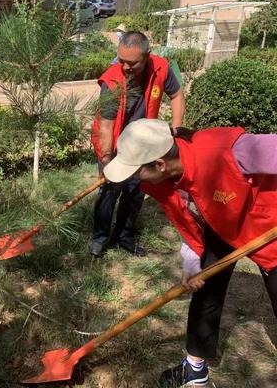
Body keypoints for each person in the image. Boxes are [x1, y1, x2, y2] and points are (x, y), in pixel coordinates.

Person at [103, 119, 277, 387]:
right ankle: (195, 369)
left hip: (268, 226)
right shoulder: (164, 181)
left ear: (159, 164)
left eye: (137, 171)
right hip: (225, 225)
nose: (136, 178)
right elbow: (185, 219)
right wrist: (192, 260)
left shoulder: (228, 150)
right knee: (206, 287)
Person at [90, 31, 185, 257]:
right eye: (121, 60)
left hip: (143, 142)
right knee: (109, 191)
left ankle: (124, 236)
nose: (125, 67)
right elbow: (106, 125)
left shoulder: (160, 67)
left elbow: (177, 94)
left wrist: (177, 128)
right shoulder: (112, 80)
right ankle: (100, 238)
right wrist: (106, 159)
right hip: (112, 144)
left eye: (132, 63)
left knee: (136, 191)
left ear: (147, 55)